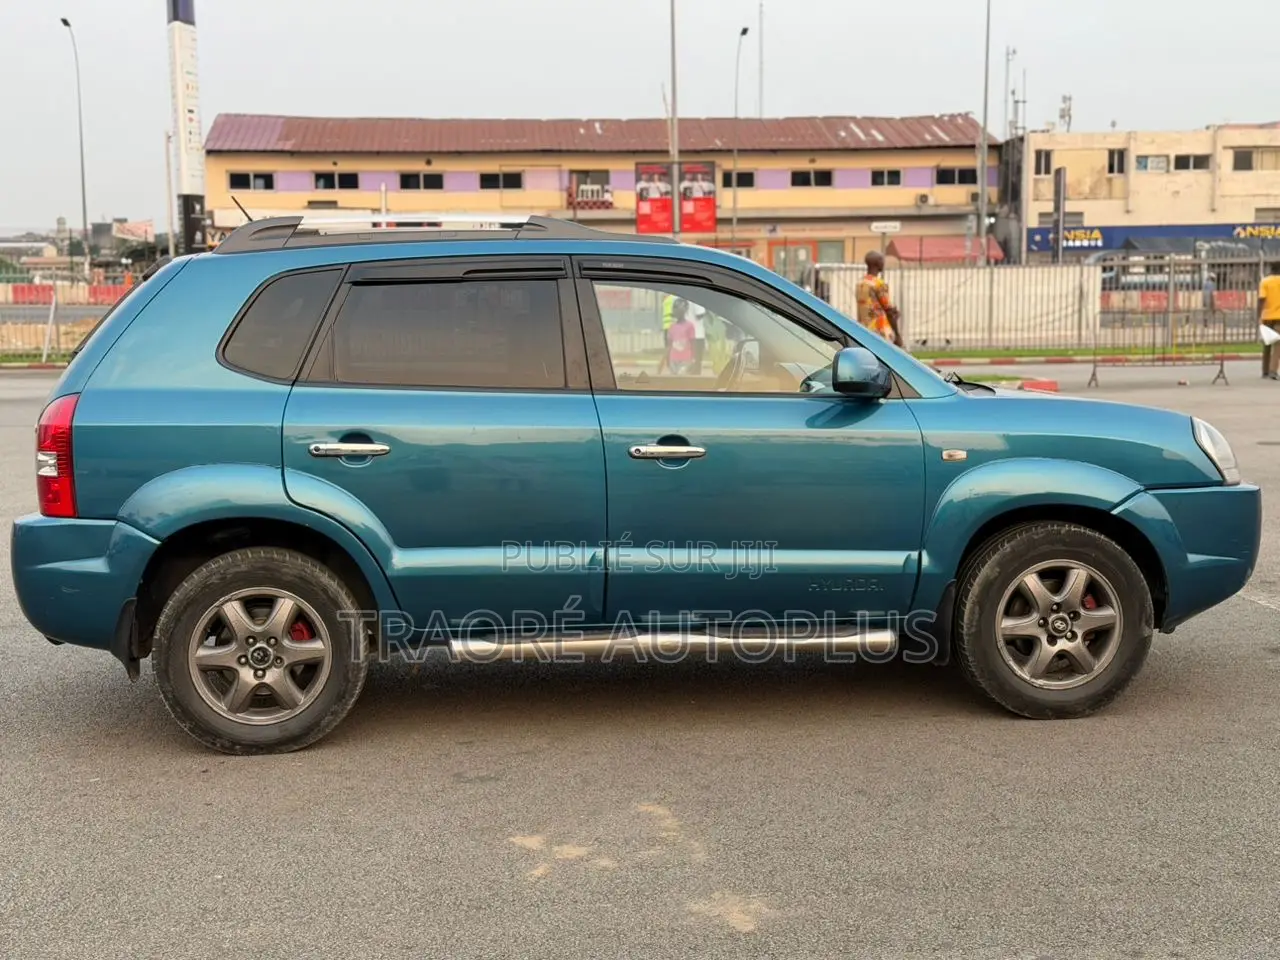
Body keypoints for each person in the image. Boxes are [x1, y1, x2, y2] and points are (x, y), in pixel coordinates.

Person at [855, 251, 903, 346]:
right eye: (882, 260)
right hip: (879, 331)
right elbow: (889, 311)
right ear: (878, 262)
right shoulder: (879, 284)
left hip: (863, 330)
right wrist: (897, 335)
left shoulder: (860, 283)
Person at [1260, 262, 1280, 380]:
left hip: (1266, 316)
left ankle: (1265, 370)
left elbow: (1261, 299)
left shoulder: (1265, 281)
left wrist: (1259, 315)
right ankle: (1273, 370)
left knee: (1267, 344)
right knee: (1278, 345)